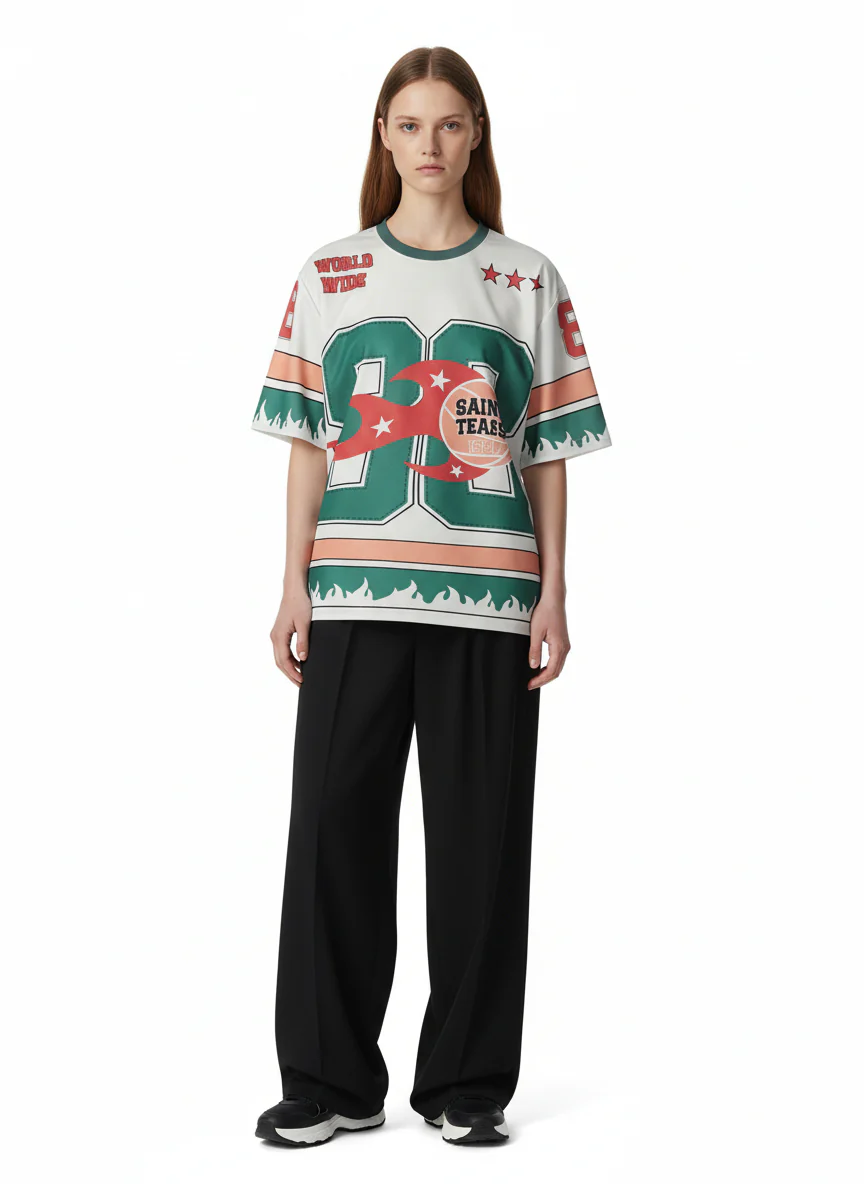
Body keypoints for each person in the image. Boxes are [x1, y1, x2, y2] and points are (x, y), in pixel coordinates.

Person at [250, 46, 612, 1148]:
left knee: (480, 845)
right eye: (410, 124)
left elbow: (547, 449)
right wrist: (292, 582)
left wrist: (555, 589)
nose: (430, 145)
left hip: (490, 599)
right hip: (354, 591)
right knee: (332, 831)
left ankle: (466, 1082)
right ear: (383, 136)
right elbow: (308, 443)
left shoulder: (527, 279)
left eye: (450, 124)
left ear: (476, 135)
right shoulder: (330, 274)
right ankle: (330, 1079)